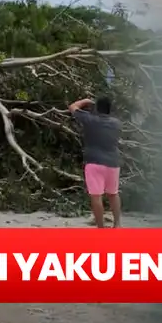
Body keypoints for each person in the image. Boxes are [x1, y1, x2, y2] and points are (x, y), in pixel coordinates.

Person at [68, 95, 123, 228]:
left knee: (96, 196)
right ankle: (117, 225)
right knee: (113, 193)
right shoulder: (116, 123)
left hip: (94, 162)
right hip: (113, 162)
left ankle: (101, 228)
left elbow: (72, 107)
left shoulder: (90, 119)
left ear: (97, 108)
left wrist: (86, 101)